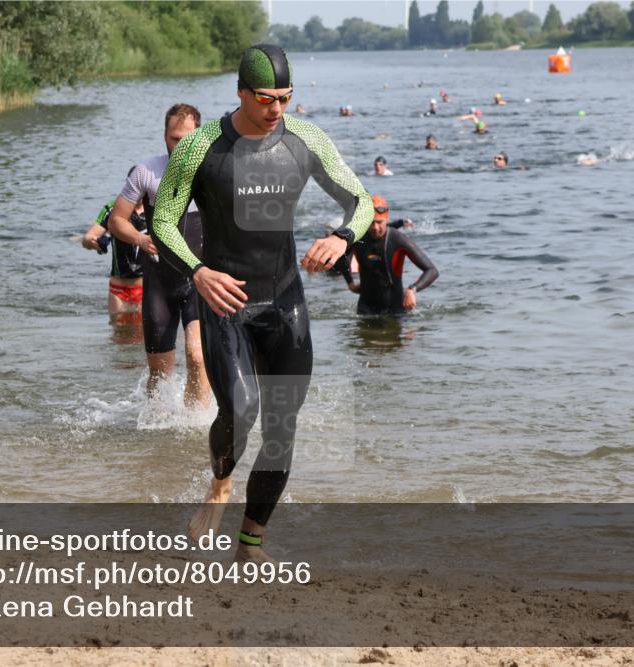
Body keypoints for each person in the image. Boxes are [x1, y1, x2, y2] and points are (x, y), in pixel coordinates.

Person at [151, 44, 373, 561]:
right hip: (224, 298)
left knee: (281, 426)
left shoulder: (305, 138)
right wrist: (199, 272)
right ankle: (221, 480)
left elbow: (359, 200)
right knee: (242, 408)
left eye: (286, 98)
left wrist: (343, 238)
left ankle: (250, 542)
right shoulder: (201, 146)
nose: (277, 109)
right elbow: (163, 222)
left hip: (285, 300)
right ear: (241, 93)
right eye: (267, 98)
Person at [106, 104, 210, 407]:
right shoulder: (146, 172)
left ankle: (197, 425)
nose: (179, 146)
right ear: (165, 135)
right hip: (160, 283)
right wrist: (140, 237)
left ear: (199, 136)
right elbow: (116, 220)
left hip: (199, 281)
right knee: (160, 376)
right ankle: (157, 432)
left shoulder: (211, 172)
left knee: (197, 356)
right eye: (174, 138)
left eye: (186, 139)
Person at [336, 196, 438, 315]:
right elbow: (340, 257)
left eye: (379, 222)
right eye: (371, 222)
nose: (375, 227)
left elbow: (432, 270)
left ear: (387, 219)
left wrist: (412, 289)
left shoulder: (398, 240)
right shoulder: (357, 238)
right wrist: (350, 283)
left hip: (395, 310)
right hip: (365, 310)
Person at [83, 183, 145, 320]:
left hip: (148, 288)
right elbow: (88, 238)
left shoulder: (156, 208)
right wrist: (91, 242)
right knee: (119, 335)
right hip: (119, 289)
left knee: (143, 336)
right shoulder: (113, 208)